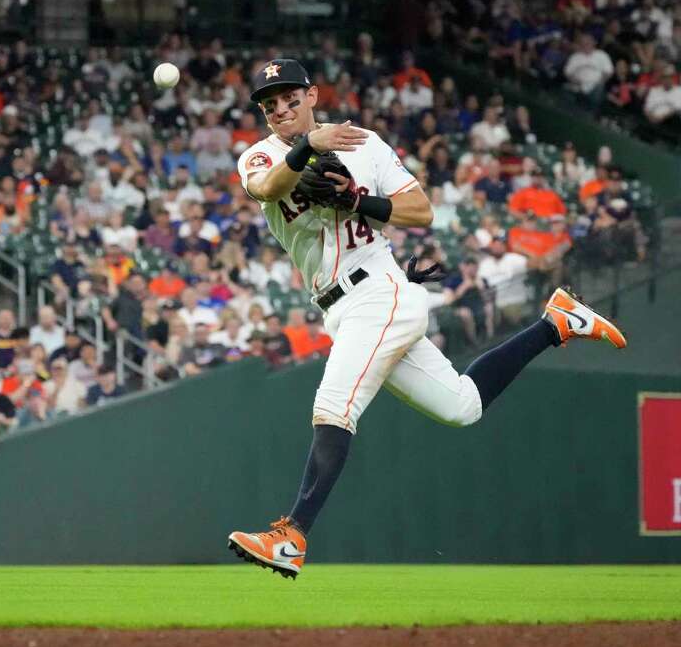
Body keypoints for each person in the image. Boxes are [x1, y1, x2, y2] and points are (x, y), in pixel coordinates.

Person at [226, 58, 627, 580]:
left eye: (289, 96)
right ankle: (554, 324)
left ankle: (292, 535)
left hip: (377, 292)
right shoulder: (259, 155)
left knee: (334, 404)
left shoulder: (364, 143)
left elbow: (420, 211)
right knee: (462, 406)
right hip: (341, 305)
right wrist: (311, 147)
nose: (281, 107)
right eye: (270, 102)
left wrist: (357, 198)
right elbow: (267, 189)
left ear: (312, 95)